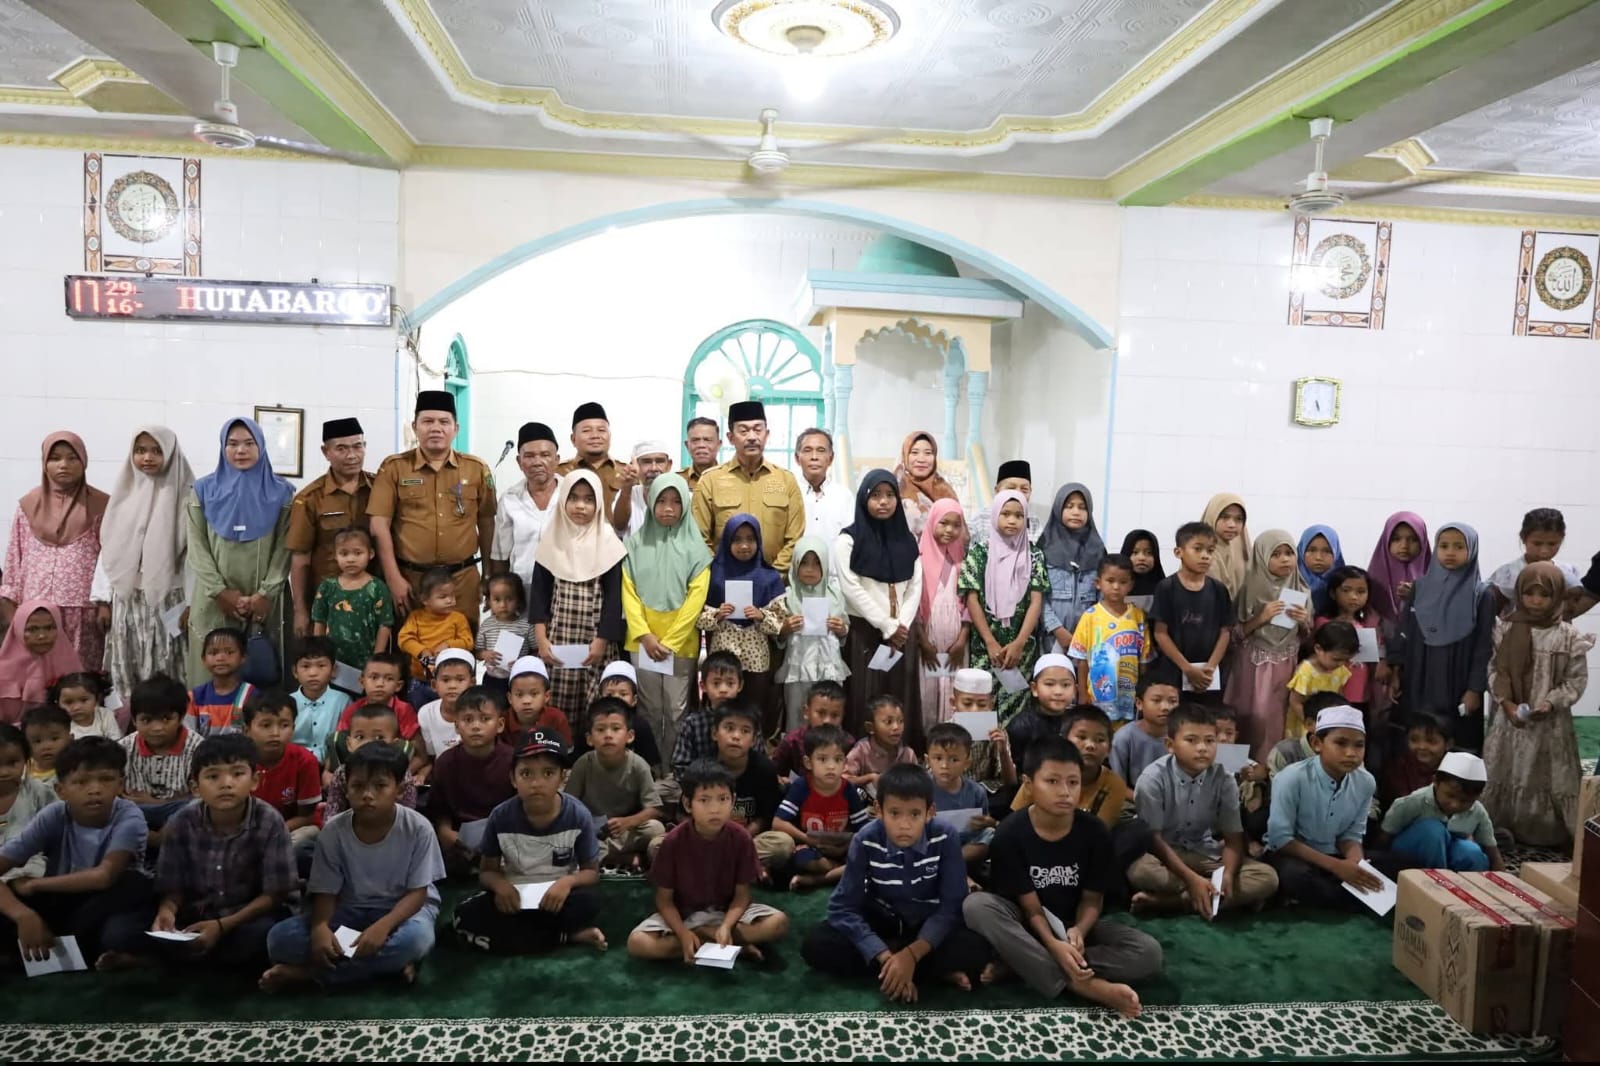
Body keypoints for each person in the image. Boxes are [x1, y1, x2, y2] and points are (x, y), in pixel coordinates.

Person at [964, 737, 1161, 1016]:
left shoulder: (1094, 831)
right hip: (1024, 923)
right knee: (976, 906)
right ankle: (1083, 985)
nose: (1065, 792)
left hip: (1071, 925)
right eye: (1052, 781)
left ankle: (1023, 963)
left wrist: (1079, 931)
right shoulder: (1010, 833)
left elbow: (1092, 899)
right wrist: (1053, 945)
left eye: (1073, 782)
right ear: (1029, 784)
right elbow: (1031, 908)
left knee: (1148, 953)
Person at [101, 733, 295, 972]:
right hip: (194, 913)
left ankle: (162, 962)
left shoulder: (269, 821)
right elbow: (172, 885)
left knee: (261, 937)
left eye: (237, 774)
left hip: (243, 916)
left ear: (255, 780)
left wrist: (222, 926)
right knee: (118, 932)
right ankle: (193, 959)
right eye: (213, 776)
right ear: (195, 787)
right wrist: (167, 911)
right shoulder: (183, 821)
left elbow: (275, 894)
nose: (226, 784)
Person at [261, 743, 446, 990]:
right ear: (346, 790)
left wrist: (383, 927)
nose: (368, 794)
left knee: (416, 941)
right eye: (358, 786)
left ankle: (312, 976)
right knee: (279, 940)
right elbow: (326, 891)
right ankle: (387, 969)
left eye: (380, 786)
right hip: (349, 907)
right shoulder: (333, 831)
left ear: (399, 790)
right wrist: (320, 928)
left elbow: (417, 894)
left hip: (402, 910)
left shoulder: (419, 828)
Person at [802, 763, 990, 999]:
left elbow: (952, 905)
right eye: (894, 813)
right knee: (816, 944)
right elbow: (842, 908)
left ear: (930, 812)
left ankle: (902, 968)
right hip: (884, 920)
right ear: (879, 810)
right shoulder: (865, 839)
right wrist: (882, 953)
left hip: (927, 923)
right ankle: (911, 970)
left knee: (977, 949)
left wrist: (912, 953)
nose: (904, 824)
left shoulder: (945, 836)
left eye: (915, 814)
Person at [0, 736, 152, 968]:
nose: (95, 790)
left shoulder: (129, 816)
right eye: (81, 782)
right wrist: (23, 915)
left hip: (111, 900)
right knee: (13, 906)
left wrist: (34, 885)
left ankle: (63, 951)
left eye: (106, 779)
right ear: (61, 790)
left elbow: (104, 877)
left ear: (120, 785)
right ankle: (66, 950)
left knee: (130, 893)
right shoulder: (54, 815)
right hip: (63, 900)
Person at [452, 729, 605, 955]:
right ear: (513, 779)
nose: (537, 783)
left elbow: (591, 873)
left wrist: (567, 883)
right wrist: (500, 885)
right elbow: (487, 872)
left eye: (548, 773)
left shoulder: (577, 814)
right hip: (515, 894)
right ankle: (565, 936)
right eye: (526, 774)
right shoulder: (500, 817)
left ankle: (527, 936)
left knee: (590, 903)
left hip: (557, 895)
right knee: (463, 917)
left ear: (562, 777)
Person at [626, 759, 790, 964]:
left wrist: (726, 926)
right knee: (638, 943)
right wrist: (682, 933)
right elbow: (664, 900)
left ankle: (709, 940)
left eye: (723, 799)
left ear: (733, 800)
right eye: (704, 800)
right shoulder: (673, 842)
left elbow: (742, 896)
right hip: (684, 914)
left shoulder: (741, 838)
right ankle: (723, 943)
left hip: (727, 912)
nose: (715, 809)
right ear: (688, 804)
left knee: (778, 923)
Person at [1128, 704, 1279, 916]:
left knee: (1267, 877)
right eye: (1191, 740)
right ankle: (1213, 896)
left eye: (1209, 740)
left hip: (1203, 850)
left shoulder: (1224, 778)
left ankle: (1174, 902)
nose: (1202, 748)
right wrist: (1191, 879)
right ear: (1170, 745)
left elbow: (1233, 838)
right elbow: (1155, 841)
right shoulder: (1152, 779)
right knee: (1140, 871)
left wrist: (1227, 875)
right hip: (1163, 854)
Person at [1483, 561, 1593, 846]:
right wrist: (1505, 702)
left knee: (1546, 773)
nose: (1536, 600)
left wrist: (1551, 703)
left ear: (1557, 596)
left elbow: (1575, 680)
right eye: (1529, 593)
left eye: (1544, 594)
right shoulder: (1506, 629)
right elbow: (1495, 670)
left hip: (1550, 724)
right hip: (1510, 720)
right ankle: (1500, 827)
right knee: (1506, 768)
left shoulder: (1568, 636)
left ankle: (1545, 830)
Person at [368, 390, 496, 620]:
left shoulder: (476, 469)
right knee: (411, 640)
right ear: (415, 427)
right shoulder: (394, 468)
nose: (436, 428)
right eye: (427, 421)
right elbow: (379, 526)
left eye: (444, 422)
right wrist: (393, 578)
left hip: (462, 582)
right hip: (411, 582)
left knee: (463, 640)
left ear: (456, 428)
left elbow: (487, 522)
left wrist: (488, 574)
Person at [185, 418, 294, 686]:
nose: (240, 450)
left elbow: (285, 548)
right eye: (232, 444)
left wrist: (266, 594)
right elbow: (197, 547)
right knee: (213, 676)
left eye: (249, 443)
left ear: (261, 446)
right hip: (214, 599)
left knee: (265, 674)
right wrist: (219, 592)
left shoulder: (282, 493)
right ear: (223, 447)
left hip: (266, 601)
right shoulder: (202, 491)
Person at [92, 426, 193, 701]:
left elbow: (194, 556)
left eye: (156, 450)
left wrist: (191, 603)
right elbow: (110, 550)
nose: (147, 457)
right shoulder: (124, 495)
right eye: (140, 450)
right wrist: (103, 599)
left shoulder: (187, 495)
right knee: (128, 669)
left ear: (170, 453)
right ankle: (131, 723)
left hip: (169, 599)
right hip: (126, 599)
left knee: (166, 668)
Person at [622, 472, 711, 766]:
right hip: (642, 642)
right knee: (648, 709)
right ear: (650, 503)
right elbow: (628, 593)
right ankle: (650, 768)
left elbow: (696, 599)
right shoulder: (635, 545)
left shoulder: (697, 549)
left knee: (676, 709)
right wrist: (645, 636)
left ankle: (674, 769)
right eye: (661, 501)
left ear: (685, 504)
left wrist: (670, 641)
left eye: (675, 501)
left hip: (680, 644)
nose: (668, 508)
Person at [529, 470, 627, 736]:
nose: (580, 506)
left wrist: (602, 640)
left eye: (588, 499)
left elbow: (615, 599)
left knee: (597, 708)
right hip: (558, 640)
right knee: (561, 706)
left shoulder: (609, 542)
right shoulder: (551, 540)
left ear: (599, 504)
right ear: (563, 500)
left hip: (596, 640)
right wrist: (541, 640)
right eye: (573, 498)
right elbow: (539, 596)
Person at [1, 432, 108, 670]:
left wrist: (105, 602)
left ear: (84, 461)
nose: (63, 465)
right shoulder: (27, 505)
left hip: (83, 612)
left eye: (72, 458)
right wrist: (9, 600)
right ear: (44, 462)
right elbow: (14, 556)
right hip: (36, 612)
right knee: (37, 675)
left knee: (80, 676)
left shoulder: (102, 505)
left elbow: (109, 557)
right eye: (55, 458)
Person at [1264, 705, 1382, 910]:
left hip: (1334, 854)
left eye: (1359, 745)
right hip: (1294, 855)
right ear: (1316, 743)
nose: (1351, 753)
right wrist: (1337, 867)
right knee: (1296, 876)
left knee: (1396, 865)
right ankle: (1345, 898)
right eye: (1341, 743)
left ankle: (1334, 896)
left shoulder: (1366, 782)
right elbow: (1280, 840)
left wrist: (1355, 863)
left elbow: (1351, 835)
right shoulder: (1291, 778)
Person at [1391, 523, 1495, 752]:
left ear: (1472, 550)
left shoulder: (1482, 595)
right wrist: (1396, 671)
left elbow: (1484, 647)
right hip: (1420, 676)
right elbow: (1404, 631)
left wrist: (1475, 689)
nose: (1450, 552)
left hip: (1458, 679)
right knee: (1418, 735)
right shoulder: (1419, 588)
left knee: (1458, 742)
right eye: (1444, 546)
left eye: (1459, 546)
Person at [835, 469, 923, 740]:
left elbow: (915, 585)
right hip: (866, 632)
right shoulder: (848, 540)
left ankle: (902, 753)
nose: (883, 501)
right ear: (864, 499)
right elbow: (851, 588)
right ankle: (862, 754)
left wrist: (901, 626)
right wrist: (887, 625)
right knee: (866, 695)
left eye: (889, 495)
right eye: (875, 495)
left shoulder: (907, 540)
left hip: (901, 634)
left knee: (899, 695)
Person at [962, 490, 1048, 726]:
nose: (1012, 520)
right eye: (1006, 514)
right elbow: (972, 599)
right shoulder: (979, 553)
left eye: (1019, 516)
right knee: (979, 716)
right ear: (994, 516)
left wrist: (1019, 643)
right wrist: (990, 641)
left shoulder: (1034, 556)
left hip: (1020, 652)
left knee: (1015, 719)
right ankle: (980, 752)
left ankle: (1009, 752)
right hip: (985, 648)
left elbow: (1036, 601)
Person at [691, 399, 806, 573]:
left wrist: (773, 575)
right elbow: (699, 537)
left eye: (758, 430)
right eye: (743, 431)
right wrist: (719, 572)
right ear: (730, 438)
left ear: (767, 434)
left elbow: (795, 536)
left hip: (775, 580)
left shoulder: (786, 480)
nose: (752, 437)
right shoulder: (710, 481)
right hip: (723, 579)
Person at [1225, 530, 1311, 759]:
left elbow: (1307, 639)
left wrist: (1304, 621)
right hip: (1252, 669)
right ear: (1261, 557)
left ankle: (1272, 770)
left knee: (1279, 719)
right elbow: (1233, 637)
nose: (1284, 559)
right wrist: (1260, 618)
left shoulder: (1301, 589)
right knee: (1253, 718)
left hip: (1286, 668)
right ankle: (1243, 771)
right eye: (1276, 554)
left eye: (1289, 553)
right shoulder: (1248, 589)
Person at [699, 514, 786, 738]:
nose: (744, 546)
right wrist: (717, 615)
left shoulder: (769, 577)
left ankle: (752, 747)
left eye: (750, 539)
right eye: (737, 539)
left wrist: (761, 616)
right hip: (724, 652)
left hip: (756, 656)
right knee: (721, 707)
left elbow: (780, 623)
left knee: (753, 708)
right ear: (727, 541)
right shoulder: (713, 575)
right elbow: (698, 619)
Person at [286, 418, 374, 639]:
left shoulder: (380, 489)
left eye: (357, 446)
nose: (352, 455)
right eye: (341, 449)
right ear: (326, 452)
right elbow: (300, 559)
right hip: (328, 604)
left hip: (373, 600)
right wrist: (300, 610)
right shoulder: (309, 499)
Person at [565, 697, 665, 871]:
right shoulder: (583, 764)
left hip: (624, 830)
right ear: (589, 739)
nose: (608, 735)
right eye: (601, 729)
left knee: (655, 829)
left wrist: (628, 822)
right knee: (568, 835)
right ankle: (620, 857)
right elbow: (568, 804)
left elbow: (654, 809)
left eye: (616, 729)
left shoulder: (638, 765)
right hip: (591, 829)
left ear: (630, 736)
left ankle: (602, 855)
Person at [428, 686, 514, 873]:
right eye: (468, 719)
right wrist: (445, 831)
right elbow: (438, 808)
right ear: (457, 726)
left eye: (485, 719)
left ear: (500, 725)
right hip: (460, 838)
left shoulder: (513, 761)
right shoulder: (445, 762)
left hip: (505, 835)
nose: (476, 726)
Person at [775, 723, 871, 889]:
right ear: (808, 762)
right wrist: (808, 840)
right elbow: (778, 823)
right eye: (822, 759)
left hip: (841, 849)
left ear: (845, 763)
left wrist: (843, 848)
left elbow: (863, 831)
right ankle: (835, 872)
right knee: (802, 859)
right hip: (811, 848)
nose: (831, 766)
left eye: (838, 759)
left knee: (866, 854)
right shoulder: (801, 786)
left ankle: (816, 880)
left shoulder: (848, 789)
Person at [774, 535, 853, 733]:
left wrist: (841, 628)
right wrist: (785, 628)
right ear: (795, 564)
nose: (810, 569)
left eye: (817, 563)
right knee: (797, 716)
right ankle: (796, 750)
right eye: (804, 563)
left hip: (828, 666)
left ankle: (829, 750)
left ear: (825, 566)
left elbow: (845, 631)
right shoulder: (787, 596)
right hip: (798, 667)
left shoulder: (835, 595)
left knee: (829, 715)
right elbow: (778, 637)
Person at [1149, 521, 1233, 699]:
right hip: (1175, 672)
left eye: (1210, 551)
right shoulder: (1166, 588)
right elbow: (1160, 633)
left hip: (1209, 676)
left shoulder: (1219, 590)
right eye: (1198, 549)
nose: (1205, 556)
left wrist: (1210, 668)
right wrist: (1187, 669)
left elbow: (1225, 632)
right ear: (1178, 552)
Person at [1381, 751, 1503, 871]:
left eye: (1465, 801)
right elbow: (1384, 838)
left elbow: (1491, 850)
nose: (1455, 805)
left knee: (1471, 852)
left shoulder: (1477, 812)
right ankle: (1435, 879)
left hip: (1448, 855)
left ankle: (1465, 882)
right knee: (1433, 831)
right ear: (1436, 782)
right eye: (1450, 796)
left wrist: (1501, 877)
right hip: (1407, 858)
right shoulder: (1413, 802)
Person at [709, 701, 794, 874]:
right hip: (710, 839)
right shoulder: (704, 768)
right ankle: (740, 866)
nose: (736, 736)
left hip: (749, 840)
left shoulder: (765, 769)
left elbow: (766, 816)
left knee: (783, 845)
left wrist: (742, 837)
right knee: (659, 845)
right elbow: (688, 815)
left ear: (754, 740)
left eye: (745, 731)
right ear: (714, 733)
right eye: (729, 728)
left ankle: (724, 863)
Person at [1069, 555, 1152, 726]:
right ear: (1098, 583)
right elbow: (1082, 659)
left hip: (1129, 695)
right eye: (1110, 581)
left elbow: (1144, 659)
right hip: (1098, 696)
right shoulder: (1090, 617)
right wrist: (1082, 692)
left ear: (1131, 585)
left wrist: (1143, 692)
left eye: (1123, 582)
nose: (1116, 587)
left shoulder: (1138, 616)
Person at [120, 675, 202, 837]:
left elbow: (202, 795)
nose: (157, 728)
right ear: (134, 720)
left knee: (197, 807)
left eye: (166, 719)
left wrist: (157, 802)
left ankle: (156, 840)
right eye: (146, 720)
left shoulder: (198, 748)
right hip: (135, 812)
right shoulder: (122, 749)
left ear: (181, 717)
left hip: (180, 813)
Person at [243, 692, 320, 857]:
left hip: (289, 829)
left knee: (303, 840)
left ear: (293, 728)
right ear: (247, 730)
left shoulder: (305, 761)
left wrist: (272, 832)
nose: (275, 733)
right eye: (266, 725)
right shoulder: (238, 761)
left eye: (284, 725)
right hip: (246, 829)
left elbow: (307, 816)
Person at [310, 528, 395, 675]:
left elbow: (385, 625)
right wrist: (321, 656)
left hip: (367, 661)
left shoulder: (377, 588)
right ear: (335, 555)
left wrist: (376, 659)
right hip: (334, 662)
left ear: (370, 554)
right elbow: (319, 622)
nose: (350, 559)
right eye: (344, 554)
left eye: (357, 553)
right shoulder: (327, 587)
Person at [916, 499, 970, 730]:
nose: (949, 530)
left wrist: (962, 640)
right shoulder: (918, 559)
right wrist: (923, 641)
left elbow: (970, 603)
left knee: (954, 691)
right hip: (928, 641)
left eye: (956, 525)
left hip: (956, 644)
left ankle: (954, 736)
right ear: (932, 522)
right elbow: (914, 604)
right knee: (928, 692)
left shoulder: (963, 561)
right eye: (943, 523)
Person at [490, 422, 562, 594]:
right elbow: (500, 555)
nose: (537, 462)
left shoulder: (571, 494)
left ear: (557, 460)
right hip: (522, 590)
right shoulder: (509, 500)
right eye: (529, 456)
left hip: (566, 589)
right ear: (519, 461)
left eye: (545, 455)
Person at [925, 721, 1007, 864]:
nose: (944, 765)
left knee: (989, 834)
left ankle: (950, 862)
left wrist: (989, 822)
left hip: (965, 845)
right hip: (932, 842)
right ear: (928, 760)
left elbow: (984, 824)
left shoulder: (977, 791)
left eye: (954, 759)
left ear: (967, 763)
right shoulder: (921, 789)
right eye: (938, 758)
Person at [1038, 482, 1104, 648]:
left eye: (1082, 507)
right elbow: (1038, 597)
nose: (1076, 512)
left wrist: (1087, 633)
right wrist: (1057, 630)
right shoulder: (1043, 547)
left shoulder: (1098, 549)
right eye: (1069, 506)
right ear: (1058, 508)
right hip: (1051, 639)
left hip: (1088, 639)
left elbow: (1103, 598)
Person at [323, 704, 419, 816]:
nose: (368, 743)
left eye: (379, 738)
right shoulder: (341, 773)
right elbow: (332, 813)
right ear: (349, 743)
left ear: (394, 745)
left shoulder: (402, 775)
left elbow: (408, 814)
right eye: (360, 737)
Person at [1487, 508, 1584, 617]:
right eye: (1537, 544)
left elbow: (1570, 608)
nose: (1544, 551)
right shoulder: (1508, 574)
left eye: (1552, 544)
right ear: (1523, 538)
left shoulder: (1567, 571)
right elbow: (1491, 612)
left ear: (1561, 540)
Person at [0, 601, 83, 724]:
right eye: (32, 629)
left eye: (49, 628)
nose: (42, 636)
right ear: (18, 630)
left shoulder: (70, 664)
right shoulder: (2, 670)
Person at [1317, 567, 1385, 711]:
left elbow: (1377, 653)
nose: (1354, 597)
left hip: (1361, 691)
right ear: (1333, 593)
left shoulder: (1369, 623)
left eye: (1361, 592)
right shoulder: (1324, 622)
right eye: (1346, 590)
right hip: (1332, 691)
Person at [669, 651, 744, 778]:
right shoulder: (693, 723)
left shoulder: (747, 720)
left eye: (730, 683)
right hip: (700, 784)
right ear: (703, 686)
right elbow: (680, 765)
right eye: (716, 683)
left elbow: (758, 762)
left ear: (740, 686)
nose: (723, 690)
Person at [559, 402, 632, 529]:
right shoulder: (559, 473)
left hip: (616, 540)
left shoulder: (627, 473)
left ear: (610, 436)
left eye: (601, 430)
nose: (595, 436)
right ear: (573, 439)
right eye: (586, 431)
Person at [1006, 654, 1075, 785]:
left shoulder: (1079, 722)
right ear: (1034, 689)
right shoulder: (1021, 726)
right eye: (1049, 684)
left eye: (1066, 685)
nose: (1058, 691)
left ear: (1075, 690)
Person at [397, 568, 473, 686]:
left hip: (449, 679)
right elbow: (404, 639)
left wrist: (449, 645)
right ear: (425, 599)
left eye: (452, 595)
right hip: (420, 678)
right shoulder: (416, 617)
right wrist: (421, 651)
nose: (450, 600)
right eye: (443, 597)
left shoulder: (458, 618)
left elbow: (468, 642)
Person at [1286, 621, 1359, 741]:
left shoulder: (1339, 670)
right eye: (1336, 659)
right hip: (1307, 724)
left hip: (1328, 724)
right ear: (1318, 649)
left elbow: (1339, 696)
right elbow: (1295, 702)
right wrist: (1311, 724)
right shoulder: (1306, 672)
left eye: (1345, 660)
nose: (1340, 664)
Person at [0, 722, 54, 881]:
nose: (4, 772)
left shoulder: (37, 791)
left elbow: (58, 824)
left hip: (29, 867)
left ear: (26, 760)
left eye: (12, 763)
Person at [412, 649, 478, 774]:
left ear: (472, 683)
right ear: (434, 685)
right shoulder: (426, 713)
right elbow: (431, 755)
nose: (452, 686)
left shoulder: (481, 714)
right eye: (446, 680)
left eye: (460, 680)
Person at [772, 680, 851, 781]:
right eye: (821, 713)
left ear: (842, 716)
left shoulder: (848, 743)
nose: (827, 721)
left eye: (835, 715)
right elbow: (775, 772)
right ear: (807, 712)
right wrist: (781, 780)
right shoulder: (792, 741)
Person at [1367, 511, 1430, 634]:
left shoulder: (1436, 579)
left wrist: (1419, 596)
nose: (1404, 545)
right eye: (1396, 539)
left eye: (1413, 539)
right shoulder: (1371, 580)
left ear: (1423, 541)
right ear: (1386, 540)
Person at [1110, 676, 1178, 787]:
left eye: (1173, 701)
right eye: (1156, 700)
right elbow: (1118, 785)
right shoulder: (1123, 738)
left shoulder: (1185, 736)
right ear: (1139, 703)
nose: (1165, 707)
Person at [187, 626, 254, 737]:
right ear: (204, 659)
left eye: (229, 652)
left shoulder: (252, 695)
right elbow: (189, 736)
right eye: (213, 653)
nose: (220, 658)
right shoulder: (195, 697)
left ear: (243, 657)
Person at [844, 694, 919, 792]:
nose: (896, 727)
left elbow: (919, 783)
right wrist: (869, 778)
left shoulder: (908, 754)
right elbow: (843, 779)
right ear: (870, 727)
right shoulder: (861, 750)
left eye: (900, 721)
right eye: (888, 722)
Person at [794, 428, 853, 551]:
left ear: (831, 459)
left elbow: (851, 542)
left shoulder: (844, 496)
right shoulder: (788, 494)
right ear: (797, 458)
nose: (814, 457)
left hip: (833, 564)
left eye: (821, 451)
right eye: (807, 450)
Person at [476, 573, 533, 697]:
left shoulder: (526, 626)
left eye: (509, 599)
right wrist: (485, 654)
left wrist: (523, 662)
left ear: (518, 600)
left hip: (518, 678)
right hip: (492, 678)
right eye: (497, 600)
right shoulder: (487, 625)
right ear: (489, 601)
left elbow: (536, 651)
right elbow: (477, 651)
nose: (503, 605)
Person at [895, 430, 958, 538]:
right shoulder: (895, 486)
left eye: (928, 453)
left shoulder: (945, 491)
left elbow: (959, 531)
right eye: (914, 452)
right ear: (905, 455)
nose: (921, 459)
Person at [504, 656, 572, 747]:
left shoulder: (557, 719)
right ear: (510, 698)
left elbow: (566, 750)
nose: (526, 701)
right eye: (519, 695)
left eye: (534, 694)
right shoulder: (503, 721)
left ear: (546, 696)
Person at [616, 440, 675, 537]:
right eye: (646, 462)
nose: (653, 468)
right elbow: (619, 527)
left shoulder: (685, 496)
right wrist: (627, 488)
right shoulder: (629, 494)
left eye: (659, 461)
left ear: (669, 465)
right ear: (635, 466)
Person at [1200, 493, 1251, 601]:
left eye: (1239, 519)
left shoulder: (1238, 545)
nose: (1232, 525)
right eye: (1225, 517)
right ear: (1212, 516)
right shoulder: (1199, 551)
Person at [52, 672, 120, 740]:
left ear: (97, 700)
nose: (76, 708)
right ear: (58, 704)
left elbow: (116, 741)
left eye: (84, 700)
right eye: (69, 702)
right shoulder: (57, 723)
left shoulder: (105, 715)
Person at [1297, 525, 1345, 616]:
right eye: (1312, 550)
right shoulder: (1289, 581)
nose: (1318, 557)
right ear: (1301, 550)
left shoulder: (1344, 584)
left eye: (1327, 551)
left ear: (1336, 553)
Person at [21, 703, 70, 784]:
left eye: (54, 739)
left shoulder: (73, 771)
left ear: (70, 739)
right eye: (38, 741)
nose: (46, 747)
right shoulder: (22, 769)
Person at [679, 417, 720, 491]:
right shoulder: (678, 480)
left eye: (708, 440)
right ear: (687, 445)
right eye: (695, 440)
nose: (701, 445)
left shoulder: (731, 478)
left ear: (718, 444)